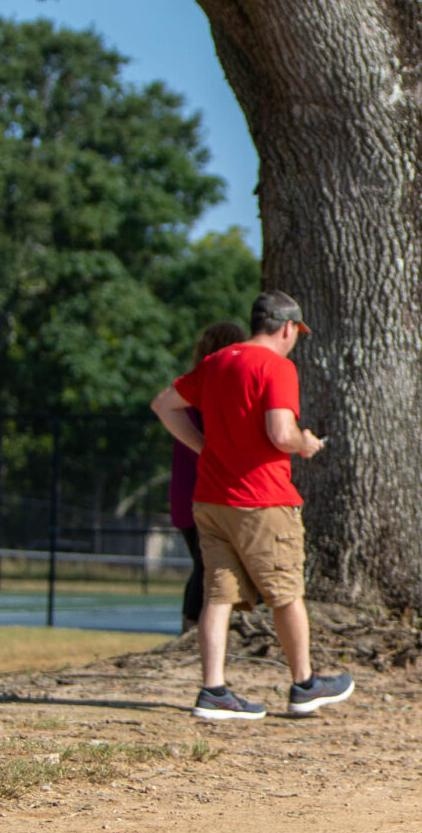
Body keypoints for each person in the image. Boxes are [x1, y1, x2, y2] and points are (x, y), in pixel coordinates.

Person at [150, 291, 354, 720]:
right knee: (285, 594)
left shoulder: (217, 362)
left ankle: (214, 691)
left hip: (211, 498)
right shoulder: (277, 367)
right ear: (286, 329)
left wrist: (204, 448)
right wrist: (304, 443)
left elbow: (163, 405)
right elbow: (280, 433)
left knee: (218, 594)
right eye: (296, 332)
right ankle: (304, 684)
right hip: (262, 499)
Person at [170, 321, 248, 635]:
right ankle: (191, 629)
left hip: (201, 496)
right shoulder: (199, 395)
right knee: (206, 566)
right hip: (197, 498)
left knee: (215, 566)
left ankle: (214, 625)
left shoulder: (206, 392)